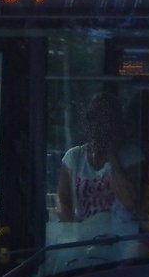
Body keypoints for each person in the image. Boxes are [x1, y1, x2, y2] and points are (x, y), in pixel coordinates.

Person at [56, 92, 142, 227]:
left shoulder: (132, 155)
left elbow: (129, 201)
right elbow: (61, 202)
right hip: (83, 235)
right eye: (92, 118)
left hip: (121, 236)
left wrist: (112, 155)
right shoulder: (74, 157)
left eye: (104, 120)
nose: (97, 126)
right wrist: (74, 231)